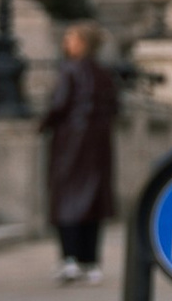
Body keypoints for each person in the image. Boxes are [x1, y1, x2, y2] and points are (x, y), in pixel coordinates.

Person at [43, 24, 117, 282]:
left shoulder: (69, 69)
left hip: (70, 143)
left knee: (67, 199)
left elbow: (59, 103)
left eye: (71, 37)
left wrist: (44, 124)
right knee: (93, 201)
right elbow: (115, 106)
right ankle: (91, 260)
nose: (66, 42)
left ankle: (70, 258)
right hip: (98, 144)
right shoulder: (104, 72)